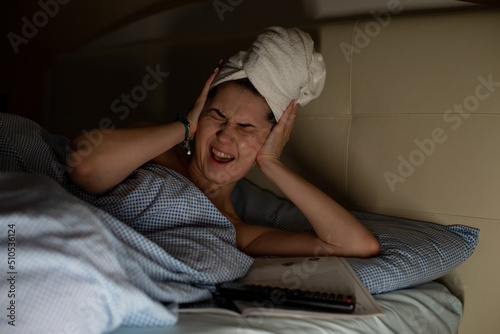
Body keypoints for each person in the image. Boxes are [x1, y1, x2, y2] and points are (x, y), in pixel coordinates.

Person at [67, 26, 379, 258]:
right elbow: (84, 166)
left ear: (270, 139)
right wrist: (185, 127)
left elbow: (357, 245)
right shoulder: (156, 149)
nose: (226, 135)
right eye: (216, 115)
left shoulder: (236, 231)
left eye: (245, 127)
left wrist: (272, 164)